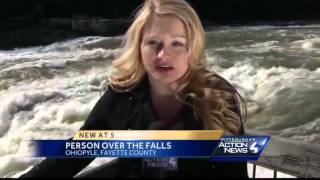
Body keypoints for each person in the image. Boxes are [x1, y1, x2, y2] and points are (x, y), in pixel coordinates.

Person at [20, 0, 248, 178]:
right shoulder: (123, 95)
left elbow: (235, 173)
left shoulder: (218, 97)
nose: (163, 55)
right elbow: (75, 152)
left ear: (192, 47)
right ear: (139, 47)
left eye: (176, 43)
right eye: (152, 43)